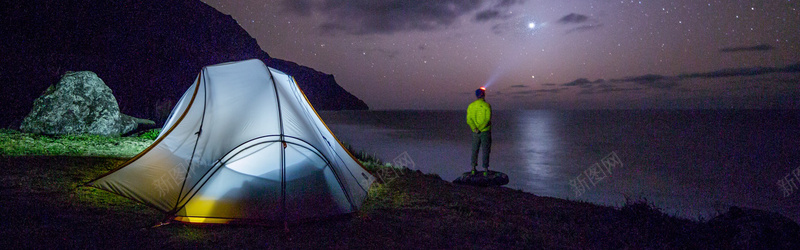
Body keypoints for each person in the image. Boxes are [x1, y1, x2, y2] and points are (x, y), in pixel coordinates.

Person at [466, 87, 491, 176]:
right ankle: (485, 170)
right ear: (483, 95)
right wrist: (480, 128)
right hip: (485, 131)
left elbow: (469, 119)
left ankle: (473, 168)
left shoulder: (471, 106)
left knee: (475, 149)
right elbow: (487, 119)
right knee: (485, 150)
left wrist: (475, 128)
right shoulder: (486, 105)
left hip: (475, 132)